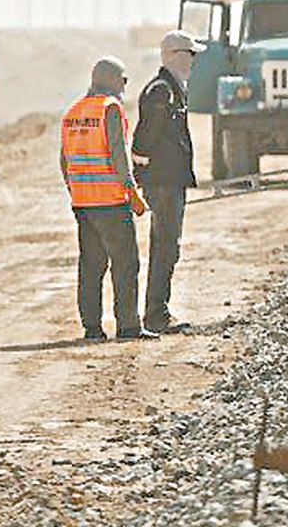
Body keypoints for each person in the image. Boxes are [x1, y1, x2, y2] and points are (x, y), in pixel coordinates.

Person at [61, 57, 153, 342]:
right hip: (110, 201)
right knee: (125, 264)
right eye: (123, 80)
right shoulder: (110, 109)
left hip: (83, 203)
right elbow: (119, 154)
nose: (125, 86)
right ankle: (128, 327)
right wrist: (132, 191)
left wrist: (75, 190)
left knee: (91, 265)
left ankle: (92, 328)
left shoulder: (73, 111)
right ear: (112, 79)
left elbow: (64, 161)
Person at [132, 30, 206, 334]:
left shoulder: (174, 88)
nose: (194, 62)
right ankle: (156, 315)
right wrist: (142, 172)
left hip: (169, 181)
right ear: (176, 55)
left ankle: (157, 311)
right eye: (191, 55)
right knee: (165, 247)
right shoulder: (161, 90)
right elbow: (144, 137)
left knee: (168, 247)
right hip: (162, 183)